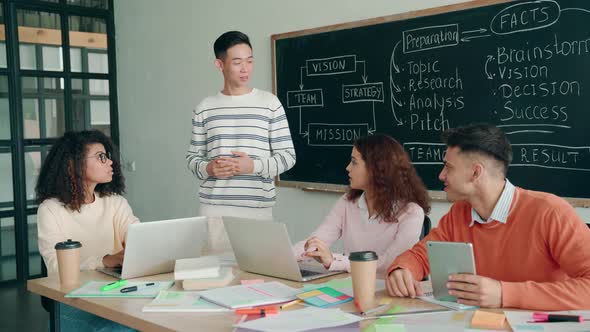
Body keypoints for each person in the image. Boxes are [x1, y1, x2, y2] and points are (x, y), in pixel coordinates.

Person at [386, 123, 590, 310]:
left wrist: (503, 293)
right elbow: (421, 255)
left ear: (476, 173)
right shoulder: (459, 214)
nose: (441, 175)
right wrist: (402, 271)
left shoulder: (550, 212)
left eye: (448, 167)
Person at [186, 31, 296, 251]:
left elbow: (288, 157)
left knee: (258, 281)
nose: (245, 68)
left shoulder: (270, 103)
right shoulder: (205, 108)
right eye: (237, 62)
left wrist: (253, 166)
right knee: (214, 282)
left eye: (249, 60)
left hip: (258, 211)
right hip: (214, 212)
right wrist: (208, 167)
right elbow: (192, 159)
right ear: (220, 64)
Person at [36, 130, 138, 332]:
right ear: (73, 164)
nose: (111, 163)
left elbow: (138, 236)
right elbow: (57, 267)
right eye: (101, 157)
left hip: (117, 293)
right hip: (74, 297)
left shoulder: (116, 203)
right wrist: (105, 260)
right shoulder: (50, 209)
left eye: (108, 157)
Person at [293, 134, 430, 277]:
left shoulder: (412, 212)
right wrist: (286, 256)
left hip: (389, 292)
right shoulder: (347, 202)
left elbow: (391, 263)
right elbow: (317, 240)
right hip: (351, 286)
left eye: (354, 162)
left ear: (376, 168)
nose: (347, 168)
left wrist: (334, 260)